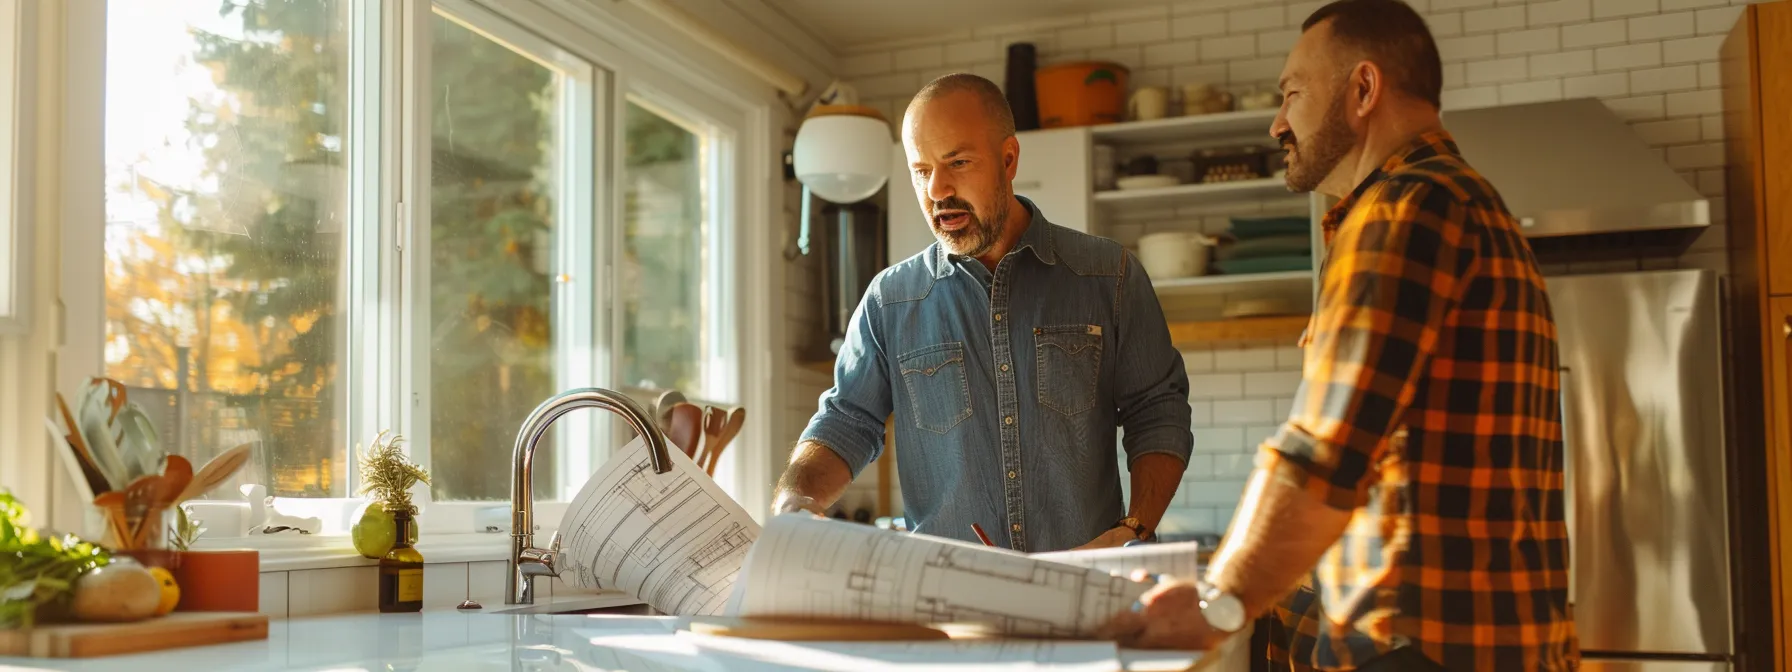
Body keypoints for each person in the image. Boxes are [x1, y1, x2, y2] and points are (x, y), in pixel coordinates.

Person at [1099, 0, 1579, 669]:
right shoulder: (1468, 203)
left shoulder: (1406, 209)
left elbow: (1323, 453)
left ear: (1363, 88)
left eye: (1292, 93)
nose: (1277, 122)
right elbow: (1393, 474)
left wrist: (1219, 603)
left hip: (1423, 649)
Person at [772, 73, 1193, 553]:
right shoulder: (890, 301)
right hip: (949, 600)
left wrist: (1134, 527)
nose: (937, 190)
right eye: (921, 170)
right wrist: (795, 501)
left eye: (958, 162)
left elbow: (1158, 412)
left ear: (1008, 159)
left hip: (1086, 586)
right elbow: (846, 421)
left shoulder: (1109, 277)